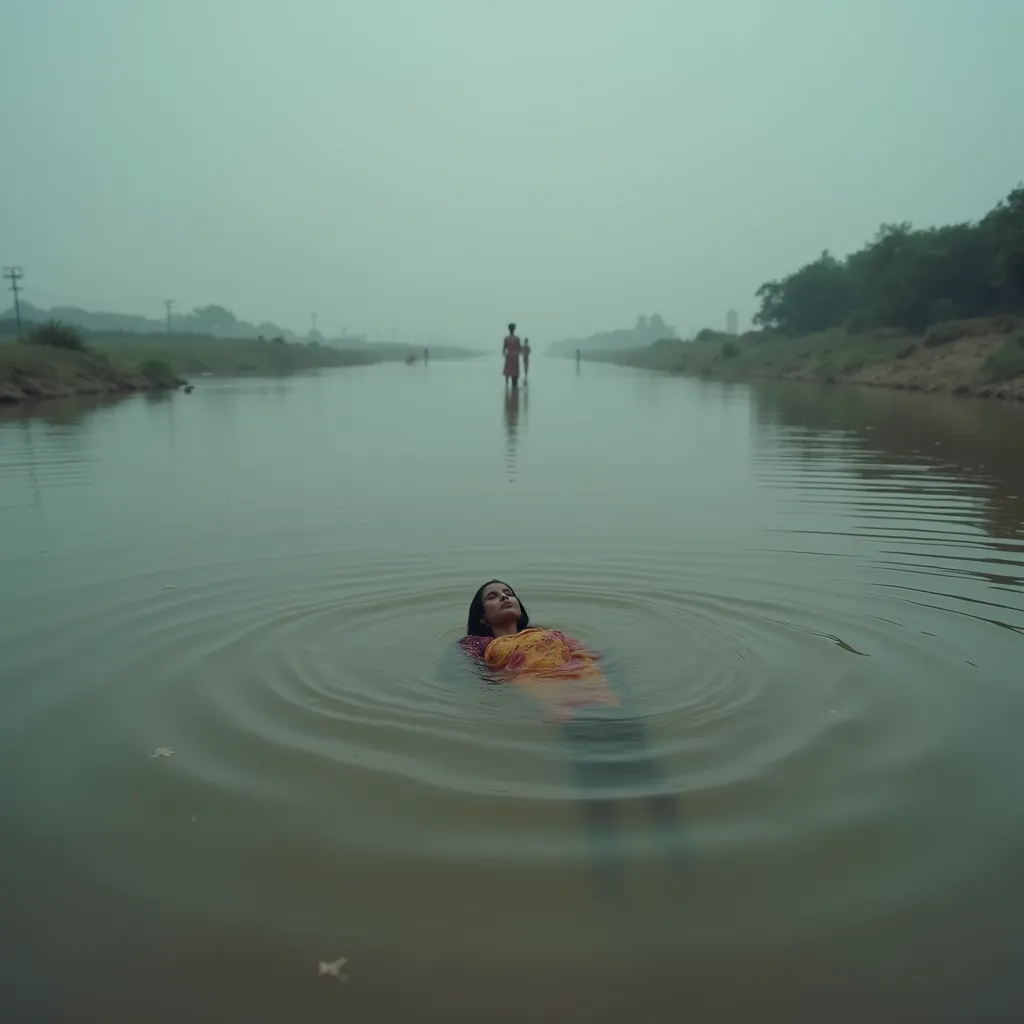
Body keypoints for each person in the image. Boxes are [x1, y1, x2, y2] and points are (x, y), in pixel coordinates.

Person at [457, 579, 683, 891]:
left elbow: (595, 656)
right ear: (482, 615)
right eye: (493, 597)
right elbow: (467, 678)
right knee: (602, 806)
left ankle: (684, 873)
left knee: (658, 797)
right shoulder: (477, 644)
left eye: (509, 593)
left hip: (607, 703)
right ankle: (614, 887)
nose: (505, 597)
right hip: (570, 712)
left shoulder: (548, 631)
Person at [502, 323, 521, 389]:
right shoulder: (517, 339)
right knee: (515, 372)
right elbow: (519, 349)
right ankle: (514, 386)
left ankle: (507, 385)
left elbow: (504, 349)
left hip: (509, 356)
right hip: (515, 356)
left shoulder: (506, 339)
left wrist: (506, 355)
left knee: (507, 371)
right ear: (514, 329)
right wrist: (517, 353)